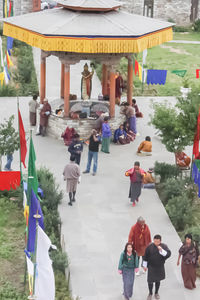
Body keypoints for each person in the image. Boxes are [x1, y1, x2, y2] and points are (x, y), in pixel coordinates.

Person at [143, 234, 171, 300]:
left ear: (160, 241)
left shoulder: (164, 246)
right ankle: (150, 293)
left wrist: (162, 250)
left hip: (159, 266)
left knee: (158, 280)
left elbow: (169, 254)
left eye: (157, 242)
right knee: (150, 281)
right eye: (155, 241)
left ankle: (156, 293)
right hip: (151, 266)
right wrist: (144, 266)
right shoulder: (149, 247)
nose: (156, 243)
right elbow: (145, 256)